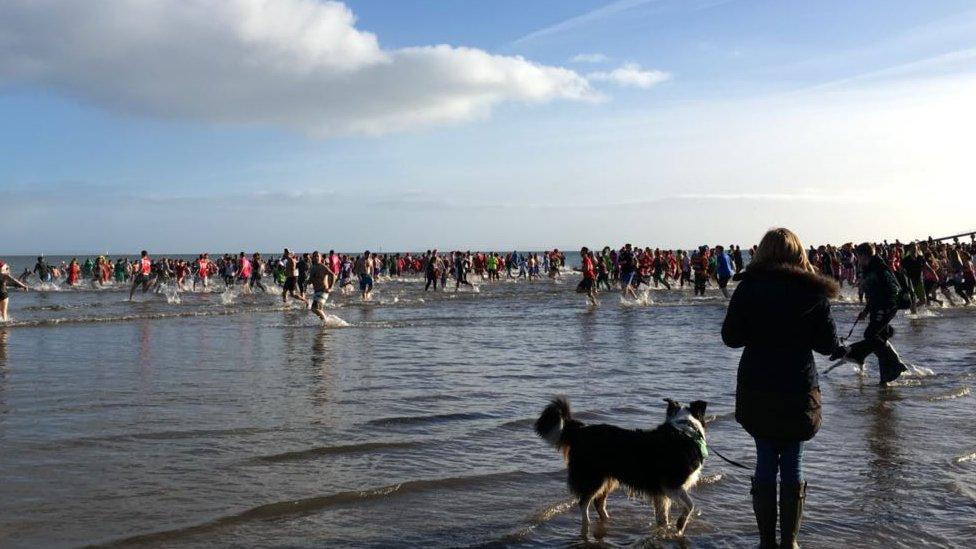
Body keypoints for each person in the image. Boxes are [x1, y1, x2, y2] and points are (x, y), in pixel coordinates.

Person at [722, 228, 842, 549]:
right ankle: (790, 542)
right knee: (793, 461)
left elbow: (731, 338)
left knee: (764, 459)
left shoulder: (748, 288)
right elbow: (828, 344)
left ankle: (766, 543)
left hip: (757, 386)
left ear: (762, 252)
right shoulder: (811, 290)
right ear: (798, 253)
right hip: (798, 387)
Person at [832, 242, 909, 386]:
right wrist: (866, 311)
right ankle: (885, 378)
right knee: (879, 337)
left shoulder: (878, 269)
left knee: (870, 335)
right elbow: (874, 294)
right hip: (878, 307)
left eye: (858, 257)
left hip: (885, 307)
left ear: (864, 256)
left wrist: (884, 308)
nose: (857, 260)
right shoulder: (872, 267)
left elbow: (891, 290)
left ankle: (895, 365)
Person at [307, 251, 336, 322]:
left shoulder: (322, 266)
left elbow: (333, 275)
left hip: (323, 290)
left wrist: (330, 288)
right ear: (312, 258)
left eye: (317, 256)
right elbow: (311, 280)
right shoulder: (313, 267)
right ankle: (325, 326)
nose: (316, 257)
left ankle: (326, 322)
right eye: (314, 256)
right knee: (319, 309)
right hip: (317, 291)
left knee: (314, 308)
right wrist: (307, 282)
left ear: (320, 258)